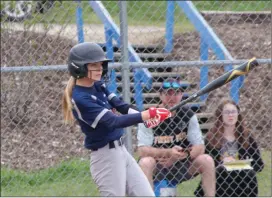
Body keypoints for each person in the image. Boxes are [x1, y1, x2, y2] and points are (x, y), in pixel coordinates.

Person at [62, 42, 172, 196]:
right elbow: (113, 121)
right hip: (105, 157)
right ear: (79, 67)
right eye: (94, 65)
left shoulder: (97, 85)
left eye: (101, 64)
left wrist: (145, 118)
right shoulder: (81, 98)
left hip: (121, 151)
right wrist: (146, 115)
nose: (100, 68)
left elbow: (121, 106)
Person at [137, 78, 216, 197]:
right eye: (168, 93)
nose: (172, 97)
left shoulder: (188, 115)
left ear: (181, 95)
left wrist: (181, 156)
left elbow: (199, 147)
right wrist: (168, 153)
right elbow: (142, 151)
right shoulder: (150, 116)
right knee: (145, 162)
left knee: (206, 160)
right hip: (158, 163)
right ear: (161, 95)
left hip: (181, 163)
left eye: (176, 93)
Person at [194, 99, 264, 197]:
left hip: (242, 178)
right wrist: (222, 163)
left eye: (233, 112)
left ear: (238, 115)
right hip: (221, 179)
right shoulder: (211, 138)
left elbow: (259, 164)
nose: (230, 115)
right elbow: (206, 165)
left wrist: (242, 163)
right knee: (222, 171)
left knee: (249, 173)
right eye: (226, 112)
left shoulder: (247, 137)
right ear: (220, 116)